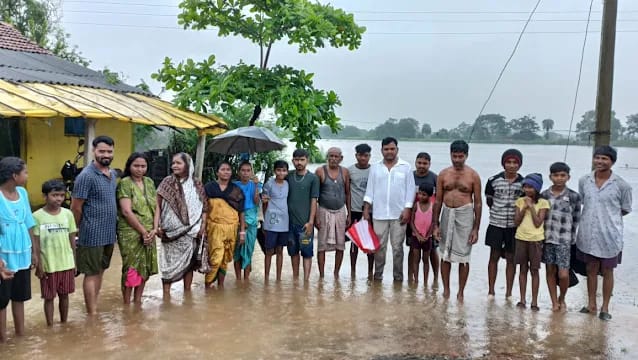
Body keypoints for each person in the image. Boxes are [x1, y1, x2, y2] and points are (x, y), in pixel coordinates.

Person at [576, 146, 632, 321]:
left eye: (604, 159)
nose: (600, 162)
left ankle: (605, 307)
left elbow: (625, 209)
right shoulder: (584, 180)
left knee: (608, 270)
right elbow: (584, 201)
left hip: (610, 235)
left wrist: (607, 219)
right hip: (588, 234)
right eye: (597, 158)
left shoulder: (622, 185)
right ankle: (591, 304)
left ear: (612, 162)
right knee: (590, 269)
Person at [71, 135, 117, 315]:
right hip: (91, 233)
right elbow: (76, 207)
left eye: (109, 151)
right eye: (102, 151)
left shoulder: (111, 174)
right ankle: (92, 313)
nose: (106, 154)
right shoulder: (86, 176)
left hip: (108, 233)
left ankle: (93, 305)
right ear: (93, 151)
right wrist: (76, 233)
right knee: (91, 273)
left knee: (101, 270)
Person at [432, 140, 482, 302]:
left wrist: (476, 228)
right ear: (450, 155)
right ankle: (446, 290)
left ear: (466, 156)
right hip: (447, 213)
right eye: (455, 156)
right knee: (445, 255)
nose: (457, 160)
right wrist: (435, 224)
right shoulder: (443, 174)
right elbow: (438, 201)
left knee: (464, 257)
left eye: (461, 156)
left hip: (465, 215)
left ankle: (461, 292)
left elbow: (478, 202)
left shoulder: (473, 175)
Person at [363, 137, 415, 282]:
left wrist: (407, 209)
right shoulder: (375, 167)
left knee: (398, 248)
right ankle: (378, 277)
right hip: (379, 214)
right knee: (379, 248)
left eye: (392, 149)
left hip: (399, 214)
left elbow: (410, 191)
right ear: (382, 151)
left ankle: (398, 278)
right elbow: (370, 190)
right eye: (386, 149)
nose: (389, 152)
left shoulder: (406, 167)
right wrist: (366, 209)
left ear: (397, 150)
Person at [156, 153, 207, 298]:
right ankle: (166, 297)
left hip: (192, 232)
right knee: (168, 264)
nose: (174, 166)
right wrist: (157, 226)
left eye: (178, 163)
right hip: (169, 233)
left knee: (189, 264)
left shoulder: (196, 184)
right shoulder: (166, 182)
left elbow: (204, 207)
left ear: (187, 165)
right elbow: (158, 206)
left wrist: (202, 226)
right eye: (173, 163)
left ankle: (187, 295)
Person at [0, 157, 38, 341]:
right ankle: (3, 339)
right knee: (1, 300)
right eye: (25, 172)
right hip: (4, 257)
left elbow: (29, 223)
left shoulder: (22, 193)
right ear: (14, 175)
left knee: (19, 296)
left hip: (23, 253)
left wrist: (34, 252)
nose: (27, 175)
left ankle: (20, 336)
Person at [33, 180, 77, 326]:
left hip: (66, 263)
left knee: (65, 296)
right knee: (49, 297)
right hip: (48, 265)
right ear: (45, 196)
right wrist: (39, 264)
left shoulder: (68, 214)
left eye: (61, 195)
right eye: (54, 195)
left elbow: (72, 240)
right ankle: (50, 326)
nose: (58, 199)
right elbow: (36, 243)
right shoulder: (37, 216)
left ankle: (64, 323)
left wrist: (74, 263)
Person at [116, 153, 158, 305]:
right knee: (131, 267)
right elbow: (126, 211)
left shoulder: (149, 182)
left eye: (143, 166)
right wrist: (143, 232)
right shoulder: (125, 183)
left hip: (150, 231)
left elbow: (156, 206)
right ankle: (127, 303)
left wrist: (154, 228)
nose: (140, 169)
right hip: (130, 232)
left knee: (145, 267)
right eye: (136, 166)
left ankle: (138, 301)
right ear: (129, 166)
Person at [541, 162, 581, 312]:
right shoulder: (544, 195)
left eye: (562, 175)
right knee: (550, 271)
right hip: (547, 239)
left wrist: (572, 240)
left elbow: (577, 218)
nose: (559, 178)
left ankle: (562, 298)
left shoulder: (574, 196)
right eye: (556, 175)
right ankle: (553, 301)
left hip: (564, 240)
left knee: (563, 274)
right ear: (550, 177)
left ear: (568, 177)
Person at [485, 149, 524, 300]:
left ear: (519, 165)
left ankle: (508, 292)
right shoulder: (493, 180)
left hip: (514, 227)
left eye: (515, 162)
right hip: (496, 223)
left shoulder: (523, 183)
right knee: (493, 256)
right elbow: (489, 201)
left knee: (511, 258)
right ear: (503, 163)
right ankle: (491, 290)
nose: (512, 165)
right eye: (508, 162)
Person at [204, 162, 246, 289]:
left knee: (225, 258)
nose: (226, 172)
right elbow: (204, 208)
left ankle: (220, 286)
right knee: (215, 257)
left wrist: (242, 231)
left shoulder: (236, 190)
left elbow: (241, 211)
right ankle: (208, 284)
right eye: (223, 169)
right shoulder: (209, 187)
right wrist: (202, 227)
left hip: (232, 228)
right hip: (214, 227)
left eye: (228, 170)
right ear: (217, 172)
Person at [513, 173, 549, 311]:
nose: (528, 190)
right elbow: (516, 221)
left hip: (536, 240)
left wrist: (532, 207)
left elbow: (538, 223)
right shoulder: (520, 201)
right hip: (521, 238)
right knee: (522, 269)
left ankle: (534, 301)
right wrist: (524, 208)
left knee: (534, 270)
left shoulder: (543, 203)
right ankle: (522, 299)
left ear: (537, 188)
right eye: (526, 187)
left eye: (531, 187)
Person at [315, 147, 351, 279]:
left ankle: (336, 273)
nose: (333, 159)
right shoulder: (320, 171)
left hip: (341, 211)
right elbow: (314, 196)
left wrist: (349, 214)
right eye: (331, 156)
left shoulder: (345, 172)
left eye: (336, 156)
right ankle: (322, 275)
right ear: (327, 157)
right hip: (324, 210)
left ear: (341, 158)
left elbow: (348, 193)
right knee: (321, 245)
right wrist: (316, 216)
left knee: (340, 244)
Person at [287, 149, 320, 281]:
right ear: (292, 161)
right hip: (289, 224)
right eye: (296, 160)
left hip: (305, 224)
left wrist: (311, 222)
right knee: (293, 252)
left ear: (308, 160)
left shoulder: (313, 178)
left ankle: (306, 281)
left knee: (306, 253)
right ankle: (295, 279)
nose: (299, 162)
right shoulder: (288, 176)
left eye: (302, 160)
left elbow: (314, 201)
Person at [408, 152, 439, 287]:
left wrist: (436, 223)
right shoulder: (410, 177)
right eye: (419, 163)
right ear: (415, 163)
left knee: (433, 250)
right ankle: (411, 277)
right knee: (412, 249)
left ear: (429, 164)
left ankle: (436, 277)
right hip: (413, 217)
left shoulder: (434, 178)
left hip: (430, 220)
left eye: (425, 163)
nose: (422, 166)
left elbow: (439, 199)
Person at [347, 143, 374, 278]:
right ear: (356, 155)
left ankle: (370, 272)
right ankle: (353, 272)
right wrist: (348, 212)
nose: (363, 158)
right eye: (360, 155)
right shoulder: (350, 170)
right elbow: (347, 192)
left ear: (370, 156)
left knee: (370, 243)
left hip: (371, 212)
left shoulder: (374, 170)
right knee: (354, 244)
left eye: (366, 155)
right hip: (355, 210)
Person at [262, 160, 290, 282]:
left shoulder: (288, 184)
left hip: (284, 222)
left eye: (284, 170)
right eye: (278, 170)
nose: (281, 172)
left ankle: (278, 278)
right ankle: (266, 277)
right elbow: (264, 202)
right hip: (271, 222)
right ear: (274, 171)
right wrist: (265, 219)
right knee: (269, 250)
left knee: (280, 250)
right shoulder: (269, 184)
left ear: (287, 172)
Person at [233, 161, 259, 281]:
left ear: (251, 172)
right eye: (243, 170)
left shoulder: (255, 184)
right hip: (236, 218)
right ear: (239, 172)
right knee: (237, 252)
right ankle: (238, 280)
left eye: (248, 170)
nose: (245, 173)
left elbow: (256, 202)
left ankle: (246, 280)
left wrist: (256, 186)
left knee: (248, 251)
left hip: (251, 220)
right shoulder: (234, 185)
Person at [409, 183, 435, 285]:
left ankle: (425, 282)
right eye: (419, 194)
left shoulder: (432, 207)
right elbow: (411, 222)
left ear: (430, 196)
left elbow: (433, 223)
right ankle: (416, 280)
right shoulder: (416, 205)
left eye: (423, 194)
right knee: (416, 259)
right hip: (416, 237)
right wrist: (418, 235)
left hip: (427, 238)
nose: (420, 196)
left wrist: (427, 236)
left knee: (425, 260)